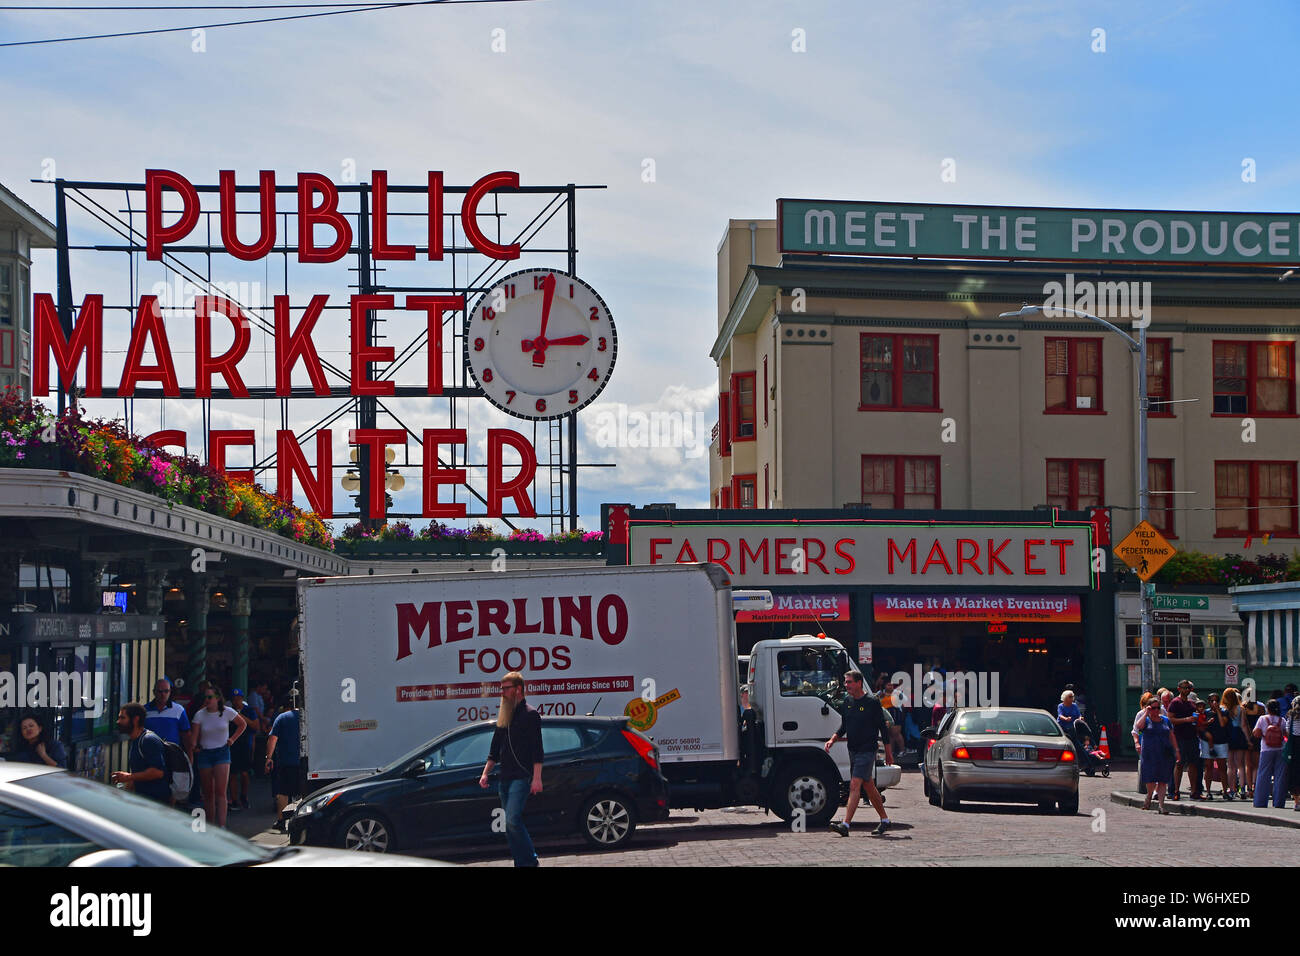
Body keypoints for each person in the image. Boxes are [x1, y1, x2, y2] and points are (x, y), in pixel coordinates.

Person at [478, 672, 544, 867]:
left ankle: (530, 861)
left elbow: (537, 749)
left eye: (506, 688)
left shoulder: (530, 714)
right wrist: (485, 773)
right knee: (508, 825)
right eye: (501, 689)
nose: (502, 692)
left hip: (522, 776)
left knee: (513, 819)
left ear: (518, 689)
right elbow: (494, 749)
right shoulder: (505, 714)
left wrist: (537, 778)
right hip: (504, 777)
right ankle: (520, 862)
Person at [825, 670, 894, 836]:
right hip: (853, 750)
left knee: (854, 784)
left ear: (859, 683)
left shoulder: (872, 702)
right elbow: (844, 727)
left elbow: (883, 729)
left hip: (867, 750)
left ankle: (845, 825)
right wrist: (832, 739)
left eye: (849, 682)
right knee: (868, 785)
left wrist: (889, 752)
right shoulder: (847, 702)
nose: (846, 685)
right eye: (846, 682)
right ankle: (885, 820)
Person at [191, 685, 246, 828]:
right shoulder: (200, 714)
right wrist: (194, 747)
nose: (207, 700)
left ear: (217, 698)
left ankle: (221, 825)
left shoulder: (227, 712)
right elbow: (193, 737)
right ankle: (210, 824)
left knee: (221, 791)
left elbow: (242, 724)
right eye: (205, 697)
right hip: (205, 753)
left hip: (222, 751)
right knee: (208, 792)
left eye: (210, 697)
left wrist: (232, 739)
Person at [111, 702, 171, 803]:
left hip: (156, 801)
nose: (118, 721)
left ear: (135, 719)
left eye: (122, 718)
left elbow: (158, 772)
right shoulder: (136, 740)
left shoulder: (148, 740)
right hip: (143, 799)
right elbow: (139, 774)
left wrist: (128, 777)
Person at [1134, 697, 1179, 813]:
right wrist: (1146, 713)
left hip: (1164, 753)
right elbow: (1138, 727)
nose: (1156, 710)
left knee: (1163, 780)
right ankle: (1149, 796)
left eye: (1158, 708)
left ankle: (1161, 805)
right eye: (1153, 708)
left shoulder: (1165, 720)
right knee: (1151, 779)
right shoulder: (1146, 720)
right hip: (1149, 754)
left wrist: (1177, 750)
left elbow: (1171, 735)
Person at [265, 694, 302, 832]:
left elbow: (272, 739)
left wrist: (268, 758)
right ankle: (302, 819)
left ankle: (281, 821)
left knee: (283, 793)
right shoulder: (308, 717)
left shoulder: (281, 718)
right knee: (304, 792)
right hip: (306, 762)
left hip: (286, 762)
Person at [1252, 698, 1289, 809]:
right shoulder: (1282, 720)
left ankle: (1260, 802)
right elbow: (1285, 734)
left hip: (1266, 749)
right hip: (1280, 749)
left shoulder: (1262, 719)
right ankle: (1279, 802)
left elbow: (1256, 734)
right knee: (1280, 775)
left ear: (1268, 708)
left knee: (1263, 774)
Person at [227, 689, 259, 811]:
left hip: (246, 745)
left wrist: (239, 716)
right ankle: (234, 800)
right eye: (234, 698)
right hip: (233, 745)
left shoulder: (249, 710)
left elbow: (255, 726)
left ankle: (244, 796)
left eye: (238, 698)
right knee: (233, 774)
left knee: (245, 773)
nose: (236, 700)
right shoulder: (228, 711)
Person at [1167, 681, 1200, 800]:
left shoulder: (1192, 703)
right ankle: (1176, 791)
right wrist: (1186, 719)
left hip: (1192, 736)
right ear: (1179, 689)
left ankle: (1194, 791)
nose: (1186, 690)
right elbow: (1171, 719)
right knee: (1179, 764)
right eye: (1184, 688)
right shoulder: (1175, 702)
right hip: (1179, 737)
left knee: (1193, 764)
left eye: (1189, 688)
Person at [1202, 692, 1229, 798]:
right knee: (1208, 766)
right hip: (1208, 742)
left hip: (1221, 741)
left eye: (1217, 700)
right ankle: (1208, 791)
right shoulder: (1205, 712)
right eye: (1212, 701)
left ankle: (1225, 791)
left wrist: (1218, 711)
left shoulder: (1224, 712)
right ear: (1208, 702)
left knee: (1222, 766)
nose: (1214, 703)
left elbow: (1223, 724)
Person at [1241, 693, 1266, 800]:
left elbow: (1244, 725)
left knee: (1248, 765)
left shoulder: (1243, 708)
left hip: (1247, 737)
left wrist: (1247, 739)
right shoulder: (1261, 708)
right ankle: (1255, 787)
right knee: (1256, 765)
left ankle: (1249, 789)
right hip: (1258, 737)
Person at [1285, 696, 1300, 812]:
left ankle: (1297, 802)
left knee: (1294, 774)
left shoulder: (1291, 715)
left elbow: (1287, 731)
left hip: (1294, 745)